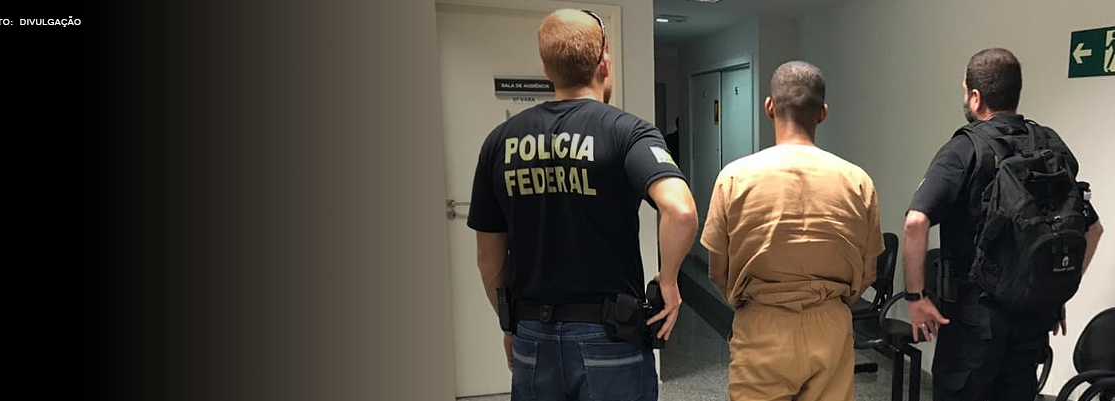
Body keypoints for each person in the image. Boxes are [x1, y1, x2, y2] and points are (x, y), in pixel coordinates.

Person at [466, 9, 698, 401]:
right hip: (610, 338)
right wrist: (670, 282)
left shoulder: (500, 141)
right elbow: (681, 210)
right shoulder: (628, 132)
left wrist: (511, 325)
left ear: (546, 68)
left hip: (532, 335)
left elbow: (489, 260)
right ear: (604, 62)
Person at [902, 48, 1104, 401]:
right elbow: (1093, 229)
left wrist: (915, 297)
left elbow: (916, 222)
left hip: (973, 323)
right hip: (1033, 317)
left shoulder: (964, 149)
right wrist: (1054, 290)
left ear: (976, 97)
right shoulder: (1050, 145)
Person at [703, 60, 884, 401]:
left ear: (769, 107)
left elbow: (717, 271)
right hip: (830, 325)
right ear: (823, 113)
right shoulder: (858, 181)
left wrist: (753, 305)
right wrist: (827, 303)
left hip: (762, 324)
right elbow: (869, 273)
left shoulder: (734, 178)